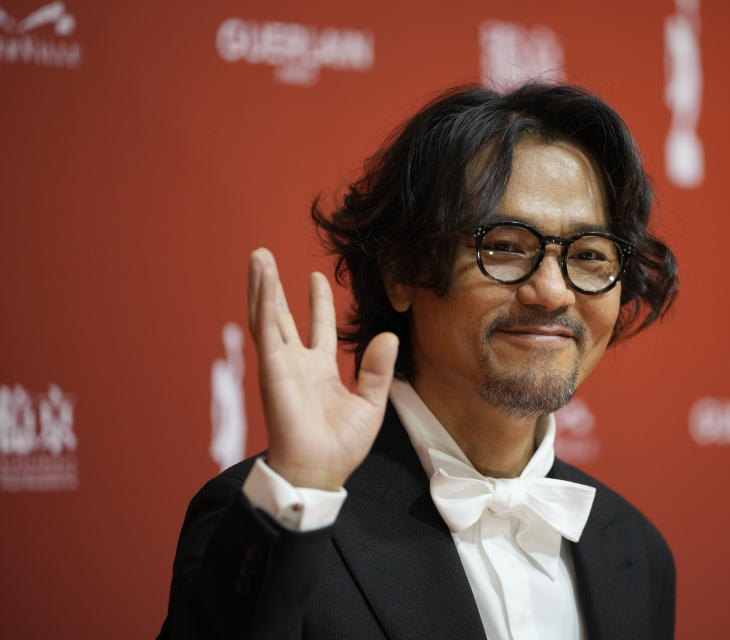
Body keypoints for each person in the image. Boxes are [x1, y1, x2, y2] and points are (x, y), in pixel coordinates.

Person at [159, 82, 679, 640]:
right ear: (402, 272)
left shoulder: (636, 552)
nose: (552, 292)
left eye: (590, 255)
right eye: (503, 246)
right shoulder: (278, 519)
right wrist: (301, 491)